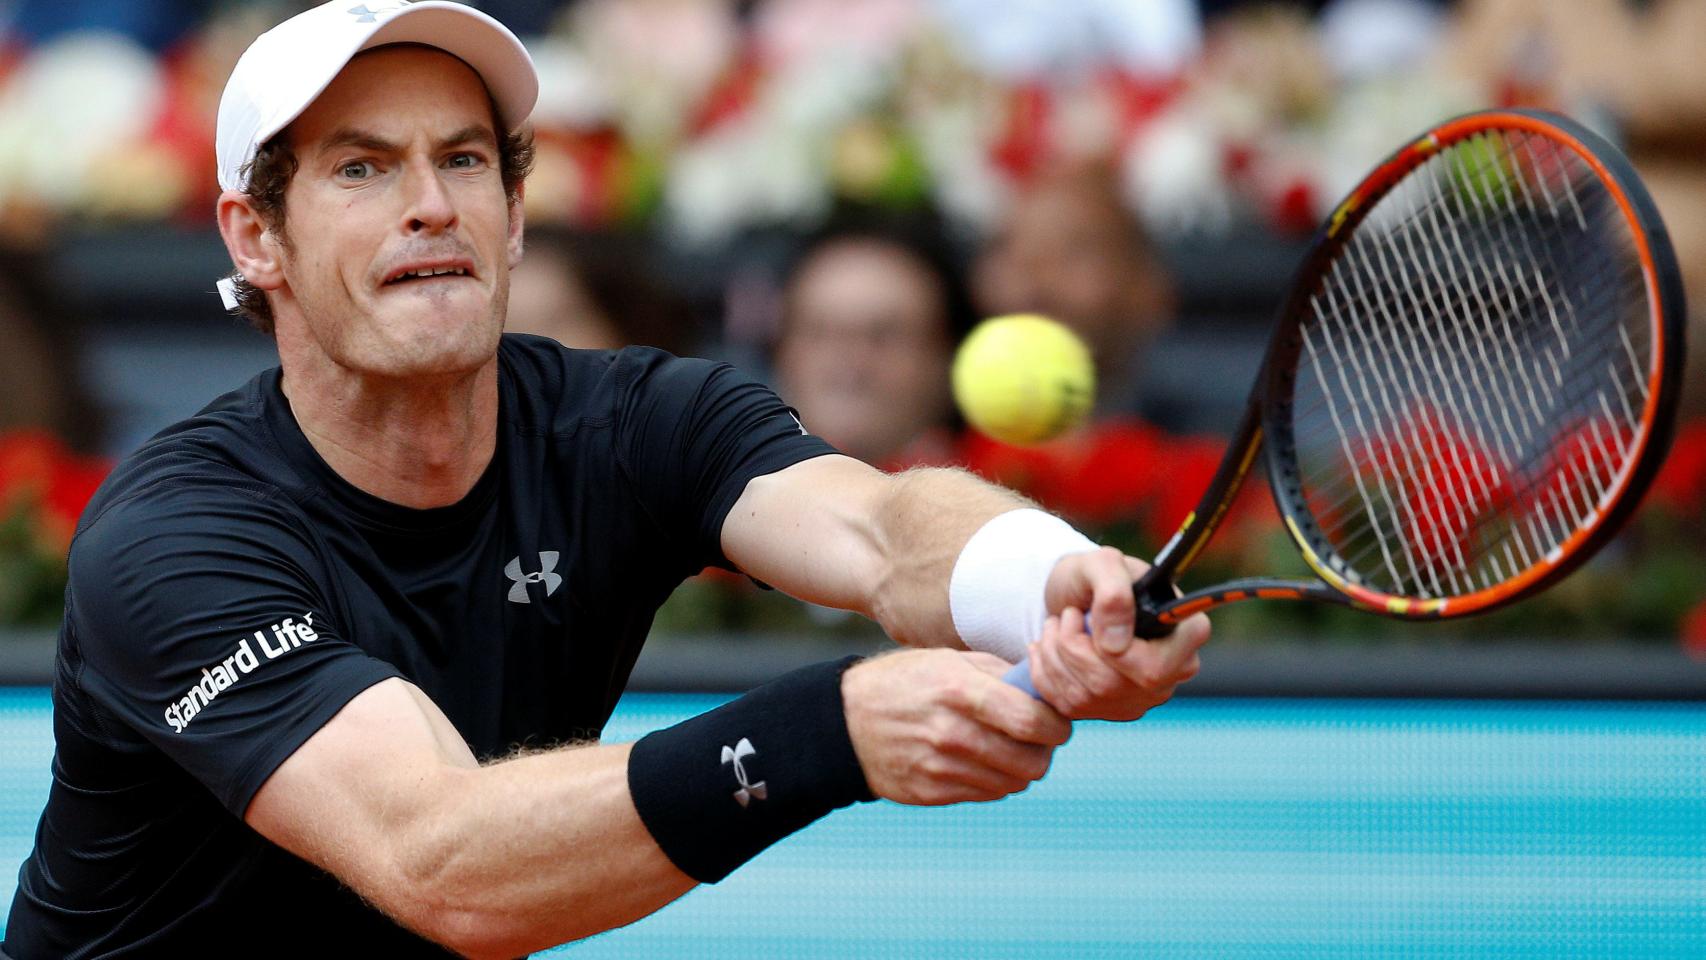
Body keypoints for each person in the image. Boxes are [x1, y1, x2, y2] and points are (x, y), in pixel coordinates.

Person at [1, 4, 1209, 958]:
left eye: (464, 160)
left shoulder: (633, 418)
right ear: (254, 238)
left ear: (515, 214)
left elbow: (880, 526)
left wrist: (1050, 583)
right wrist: (827, 732)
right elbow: (446, 864)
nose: (430, 206)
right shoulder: (174, 536)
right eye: (361, 170)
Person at [773, 216, 975, 470]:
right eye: (821, 331)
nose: (850, 363)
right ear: (783, 351)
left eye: (883, 335)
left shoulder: (1009, 491)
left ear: (944, 359)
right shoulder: (720, 487)